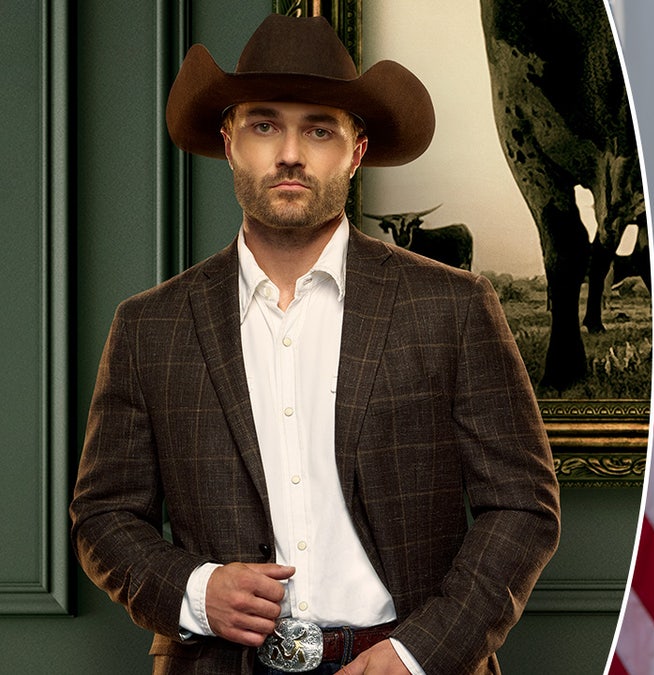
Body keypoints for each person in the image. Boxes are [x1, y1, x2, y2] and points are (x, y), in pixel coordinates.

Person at [70, 14, 560, 675]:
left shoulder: (453, 306)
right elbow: (102, 516)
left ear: (355, 151)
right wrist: (194, 589)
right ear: (229, 141)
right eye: (265, 124)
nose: (290, 152)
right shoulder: (148, 327)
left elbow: (522, 504)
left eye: (319, 128)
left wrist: (422, 652)